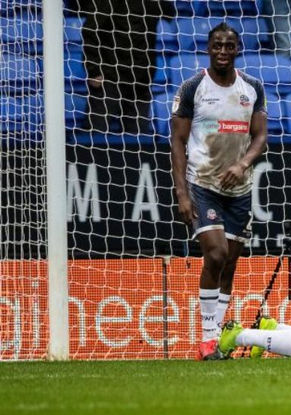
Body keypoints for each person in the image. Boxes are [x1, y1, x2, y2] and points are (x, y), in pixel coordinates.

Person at [170, 23, 268, 360]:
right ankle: (208, 338)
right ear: (208, 48)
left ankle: (220, 339)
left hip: (240, 189)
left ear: (237, 49)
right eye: (217, 45)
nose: (223, 51)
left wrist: (243, 164)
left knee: (229, 264)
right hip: (203, 185)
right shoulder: (193, 87)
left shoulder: (252, 87)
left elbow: (260, 136)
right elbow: (177, 141)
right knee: (215, 254)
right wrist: (182, 194)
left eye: (229, 46)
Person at [78, 0, 175, 134]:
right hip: (109, 79)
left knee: (138, 140)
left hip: (140, 81)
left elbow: (170, 12)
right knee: (96, 135)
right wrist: (93, 70)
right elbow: (90, 29)